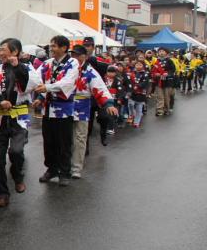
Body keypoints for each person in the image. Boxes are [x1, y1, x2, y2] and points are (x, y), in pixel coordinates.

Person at [0, 38, 39, 207]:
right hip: (0, 117)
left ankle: (17, 174)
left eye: (4, 49)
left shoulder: (29, 68)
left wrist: (18, 67)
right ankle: (2, 193)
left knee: (16, 151)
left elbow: (30, 86)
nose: (0, 52)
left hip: (20, 116)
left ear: (15, 51)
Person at [33, 35, 79, 187]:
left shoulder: (73, 63)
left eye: (54, 46)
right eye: (51, 46)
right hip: (48, 109)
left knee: (64, 142)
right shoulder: (47, 63)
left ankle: (65, 172)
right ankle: (51, 169)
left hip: (64, 109)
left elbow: (67, 83)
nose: (51, 49)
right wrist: (40, 95)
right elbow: (36, 77)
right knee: (49, 141)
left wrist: (47, 87)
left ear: (64, 48)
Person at [70, 45, 117, 179]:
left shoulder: (90, 71)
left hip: (82, 107)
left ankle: (76, 168)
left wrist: (108, 103)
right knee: (66, 138)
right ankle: (64, 165)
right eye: (72, 55)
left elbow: (100, 88)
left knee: (80, 138)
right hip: (65, 106)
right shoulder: (67, 68)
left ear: (84, 56)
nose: (74, 58)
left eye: (77, 55)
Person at [151, 48, 177, 116]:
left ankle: (166, 109)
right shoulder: (156, 61)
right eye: (160, 51)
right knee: (159, 96)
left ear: (166, 53)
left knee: (166, 96)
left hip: (168, 81)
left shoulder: (169, 61)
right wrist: (155, 74)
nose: (161, 52)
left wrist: (168, 73)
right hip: (158, 81)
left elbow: (173, 69)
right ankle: (159, 110)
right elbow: (152, 70)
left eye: (163, 51)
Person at [127, 60, 151, 128]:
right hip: (132, 92)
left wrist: (138, 86)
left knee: (139, 108)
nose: (138, 66)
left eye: (140, 64)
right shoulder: (131, 73)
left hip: (141, 93)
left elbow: (145, 82)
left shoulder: (145, 73)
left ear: (143, 66)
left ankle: (136, 122)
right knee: (130, 104)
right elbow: (128, 81)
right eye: (137, 64)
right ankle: (132, 114)